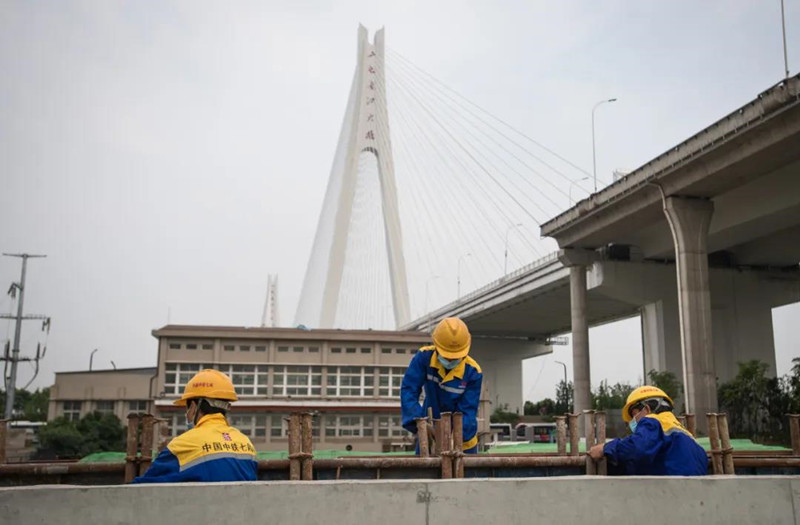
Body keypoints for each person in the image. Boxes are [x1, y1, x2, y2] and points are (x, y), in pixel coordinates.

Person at [133, 369, 258, 483]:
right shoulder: (246, 443)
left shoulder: (181, 446)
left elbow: (143, 489)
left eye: (187, 409)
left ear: (193, 407)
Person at [401, 317, 483, 454]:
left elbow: (468, 411)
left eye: (455, 357)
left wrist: (455, 438)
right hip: (429, 437)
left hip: (463, 444)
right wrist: (420, 423)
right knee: (424, 474)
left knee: (463, 473)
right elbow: (409, 390)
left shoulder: (473, 372)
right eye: (447, 356)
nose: (450, 360)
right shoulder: (424, 358)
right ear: (436, 346)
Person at [588, 385, 708, 476]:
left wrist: (605, 448)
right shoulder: (690, 438)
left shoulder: (653, 421)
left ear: (646, 409)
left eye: (634, 415)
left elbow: (637, 448)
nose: (633, 421)